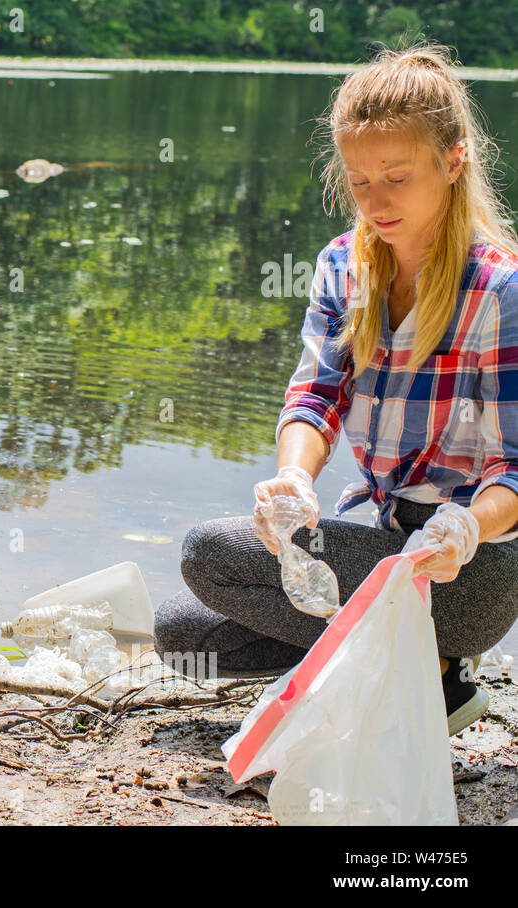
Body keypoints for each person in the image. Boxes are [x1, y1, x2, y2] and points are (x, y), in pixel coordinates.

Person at [155, 42, 518, 738]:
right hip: (379, 538)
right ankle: (420, 680)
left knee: (208, 553)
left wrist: (466, 525)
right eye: (358, 181)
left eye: (396, 178)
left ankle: (420, 666)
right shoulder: (342, 268)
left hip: (473, 573)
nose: (375, 202)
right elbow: (315, 399)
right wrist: (294, 478)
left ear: (452, 161)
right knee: (181, 635)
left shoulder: (501, 291)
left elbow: (515, 467)